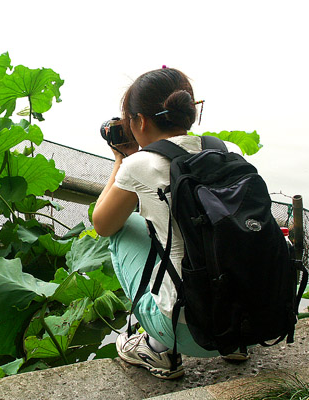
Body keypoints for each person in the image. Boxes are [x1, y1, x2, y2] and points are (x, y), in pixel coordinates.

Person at [92, 67, 245, 380]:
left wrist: (121, 160)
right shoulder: (228, 152)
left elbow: (102, 224)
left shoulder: (139, 165)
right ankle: (236, 346)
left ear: (140, 122)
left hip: (191, 334)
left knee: (123, 230)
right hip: (249, 320)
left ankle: (158, 348)